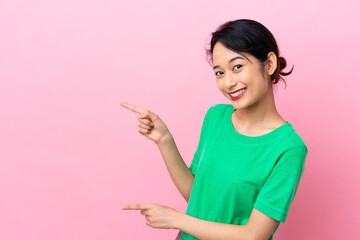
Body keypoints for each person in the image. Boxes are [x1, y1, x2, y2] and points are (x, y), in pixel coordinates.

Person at [121, 19, 308, 240]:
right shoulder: (215, 117)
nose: (228, 82)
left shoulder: (289, 148)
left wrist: (174, 219)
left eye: (237, 67)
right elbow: (198, 195)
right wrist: (164, 140)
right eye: (219, 73)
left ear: (269, 64)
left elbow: (254, 235)